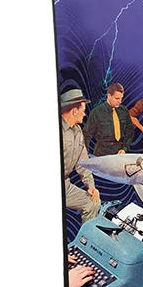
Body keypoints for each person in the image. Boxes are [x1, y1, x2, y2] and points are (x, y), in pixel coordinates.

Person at [60, 87, 101, 220]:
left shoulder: (77, 131)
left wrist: (91, 187)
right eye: (83, 111)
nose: (84, 114)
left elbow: (82, 163)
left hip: (65, 185)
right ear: (74, 111)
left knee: (93, 203)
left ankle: (86, 235)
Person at [83, 82, 134, 156]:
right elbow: (86, 135)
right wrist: (84, 155)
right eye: (117, 98)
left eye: (121, 98)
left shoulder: (124, 111)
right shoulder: (97, 112)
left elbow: (130, 132)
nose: (120, 101)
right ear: (109, 96)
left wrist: (124, 148)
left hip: (119, 154)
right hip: (102, 153)